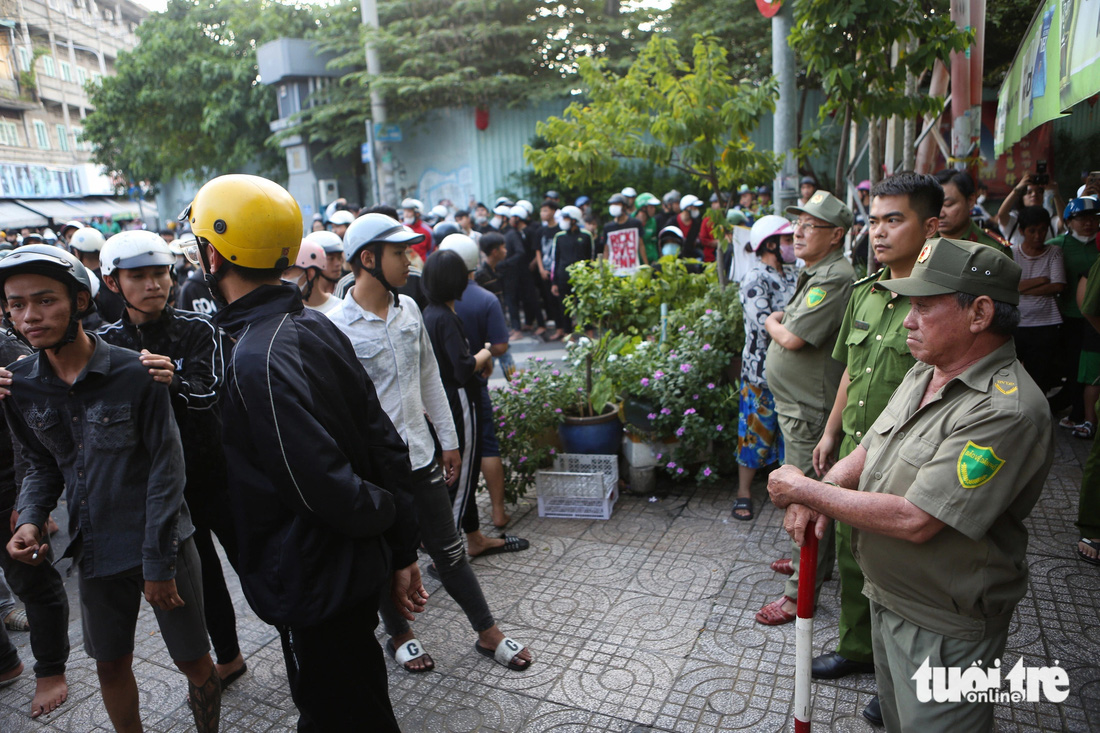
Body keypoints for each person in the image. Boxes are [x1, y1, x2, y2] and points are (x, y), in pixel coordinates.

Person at [769, 237, 1051, 732]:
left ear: (980, 313)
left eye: (922, 306)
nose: (907, 320)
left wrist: (806, 491)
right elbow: (870, 447)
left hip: (945, 625)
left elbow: (916, 518)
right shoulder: (928, 368)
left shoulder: (1006, 409)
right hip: (888, 598)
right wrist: (828, 486)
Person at [180, 174, 425, 731]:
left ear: (212, 254)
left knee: (336, 710)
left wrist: (392, 533)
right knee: (361, 701)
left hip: (319, 583)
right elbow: (384, 443)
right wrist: (400, 547)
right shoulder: (312, 324)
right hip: (351, 570)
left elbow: (326, 484)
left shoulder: (256, 357)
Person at [1, 245, 221, 732]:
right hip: (94, 549)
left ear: (80, 301)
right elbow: (38, 464)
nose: (30, 317)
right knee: (109, 663)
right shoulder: (19, 385)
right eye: (16, 305)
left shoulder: (137, 371)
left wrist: (157, 563)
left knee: (193, 660)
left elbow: (167, 470)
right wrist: (32, 519)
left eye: (44, 301)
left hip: (162, 541)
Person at [329, 216, 532, 676]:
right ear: (368, 259)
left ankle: (487, 631)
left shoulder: (410, 310)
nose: (410, 261)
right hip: (372, 471)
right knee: (383, 556)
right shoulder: (335, 325)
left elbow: (429, 380)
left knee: (450, 548)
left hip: (420, 457)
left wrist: (449, 440)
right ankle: (399, 632)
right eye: (399, 253)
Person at [806, 172, 941, 725]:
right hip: (859, 449)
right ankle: (858, 650)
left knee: (903, 575)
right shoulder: (865, 292)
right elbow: (851, 372)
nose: (878, 232)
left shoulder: (942, 304)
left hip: (910, 458)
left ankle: (904, 685)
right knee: (852, 555)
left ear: (930, 227)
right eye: (873, 220)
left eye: (894, 219)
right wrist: (831, 433)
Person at [96, 230, 247, 691]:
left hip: (218, 475)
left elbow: (210, 393)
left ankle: (296, 643)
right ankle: (230, 656)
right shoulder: (104, 343)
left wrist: (174, 382)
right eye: (138, 276)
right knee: (205, 583)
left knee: (257, 564)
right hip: (167, 490)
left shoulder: (199, 329)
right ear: (112, 282)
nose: (154, 284)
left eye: (160, 273)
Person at [756, 190, 854, 627]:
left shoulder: (834, 276)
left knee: (804, 495)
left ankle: (798, 595)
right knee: (815, 492)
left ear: (835, 235)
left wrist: (770, 321)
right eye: (798, 223)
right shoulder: (817, 271)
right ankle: (816, 568)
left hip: (810, 406)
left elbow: (792, 337)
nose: (797, 231)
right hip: (798, 403)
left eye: (810, 225)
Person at [0, 325, 70, 721]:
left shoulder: (6, 347)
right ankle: (5, 662)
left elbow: (32, 427)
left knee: (33, 580)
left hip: (10, 487)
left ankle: (51, 670)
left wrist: (28, 505)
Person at [439, 234, 530, 539]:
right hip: (471, 387)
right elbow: (501, 345)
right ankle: (497, 512)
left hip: (438, 392)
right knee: (485, 446)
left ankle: (459, 528)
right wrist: (487, 351)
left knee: (448, 452)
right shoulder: (485, 299)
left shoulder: (431, 305)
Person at [733, 215, 798, 521]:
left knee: (790, 437)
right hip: (760, 373)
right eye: (787, 240)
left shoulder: (795, 273)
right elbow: (764, 324)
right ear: (770, 244)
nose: (793, 245)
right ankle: (743, 492)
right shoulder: (754, 279)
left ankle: (789, 494)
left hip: (793, 372)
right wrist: (801, 317)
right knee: (754, 434)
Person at [1052, 196, 1100, 434]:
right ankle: (1077, 411)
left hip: (1096, 319)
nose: (1088, 223)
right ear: (1069, 221)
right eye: (1081, 218)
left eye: (1093, 218)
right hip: (1070, 317)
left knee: (1092, 370)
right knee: (1073, 368)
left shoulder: (1099, 245)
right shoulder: (1057, 245)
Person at [1010, 206, 1065, 399]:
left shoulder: (1054, 253)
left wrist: (1021, 287)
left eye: (1042, 230)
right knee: (1009, 376)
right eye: (1032, 230)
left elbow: (1057, 286)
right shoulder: (1012, 253)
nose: (1038, 235)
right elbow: (1008, 287)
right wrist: (1041, 280)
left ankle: (1037, 416)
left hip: (1046, 324)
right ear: (1022, 231)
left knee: (1039, 378)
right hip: (1015, 324)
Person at [934, 169, 1011, 255]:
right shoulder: (921, 243)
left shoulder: (994, 250)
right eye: (934, 205)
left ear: (970, 201)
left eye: (948, 204)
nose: (940, 214)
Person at [551, 205, 593, 336]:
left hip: (582, 278)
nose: (563, 221)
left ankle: (589, 333)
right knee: (565, 307)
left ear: (574, 220)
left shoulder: (586, 235)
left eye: (566, 218)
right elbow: (555, 260)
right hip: (563, 276)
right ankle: (568, 334)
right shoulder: (559, 237)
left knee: (585, 305)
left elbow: (590, 258)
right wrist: (554, 282)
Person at [996, 172, 1064, 246]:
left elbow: (1064, 221)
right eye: (1029, 192)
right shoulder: (1015, 219)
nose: (1034, 194)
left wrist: (1056, 194)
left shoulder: (1050, 220)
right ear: (1022, 197)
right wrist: (1018, 188)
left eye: (1039, 192)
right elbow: (1002, 214)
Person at [282, 238, 342, 313]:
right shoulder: (285, 311)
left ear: (310, 273)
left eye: (286, 274)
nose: (281, 279)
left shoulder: (340, 309)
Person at [601, 193, 647, 267]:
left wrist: (646, 264)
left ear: (624, 206)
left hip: (632, 269)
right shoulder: (608, 227)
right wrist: (604, 268)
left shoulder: (635, 224)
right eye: (612, 204)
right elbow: (606, 250)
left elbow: (641, 245)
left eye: (617, 204)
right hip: (614, 271)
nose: (613, 207)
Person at [634, 193, 661, 264]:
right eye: (651, 207)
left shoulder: (653, 222)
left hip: (651, 261)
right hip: (636, 262)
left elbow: (654, 242)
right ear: (643, 208)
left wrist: (656, 259)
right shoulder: (631, 220)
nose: (654, 210)